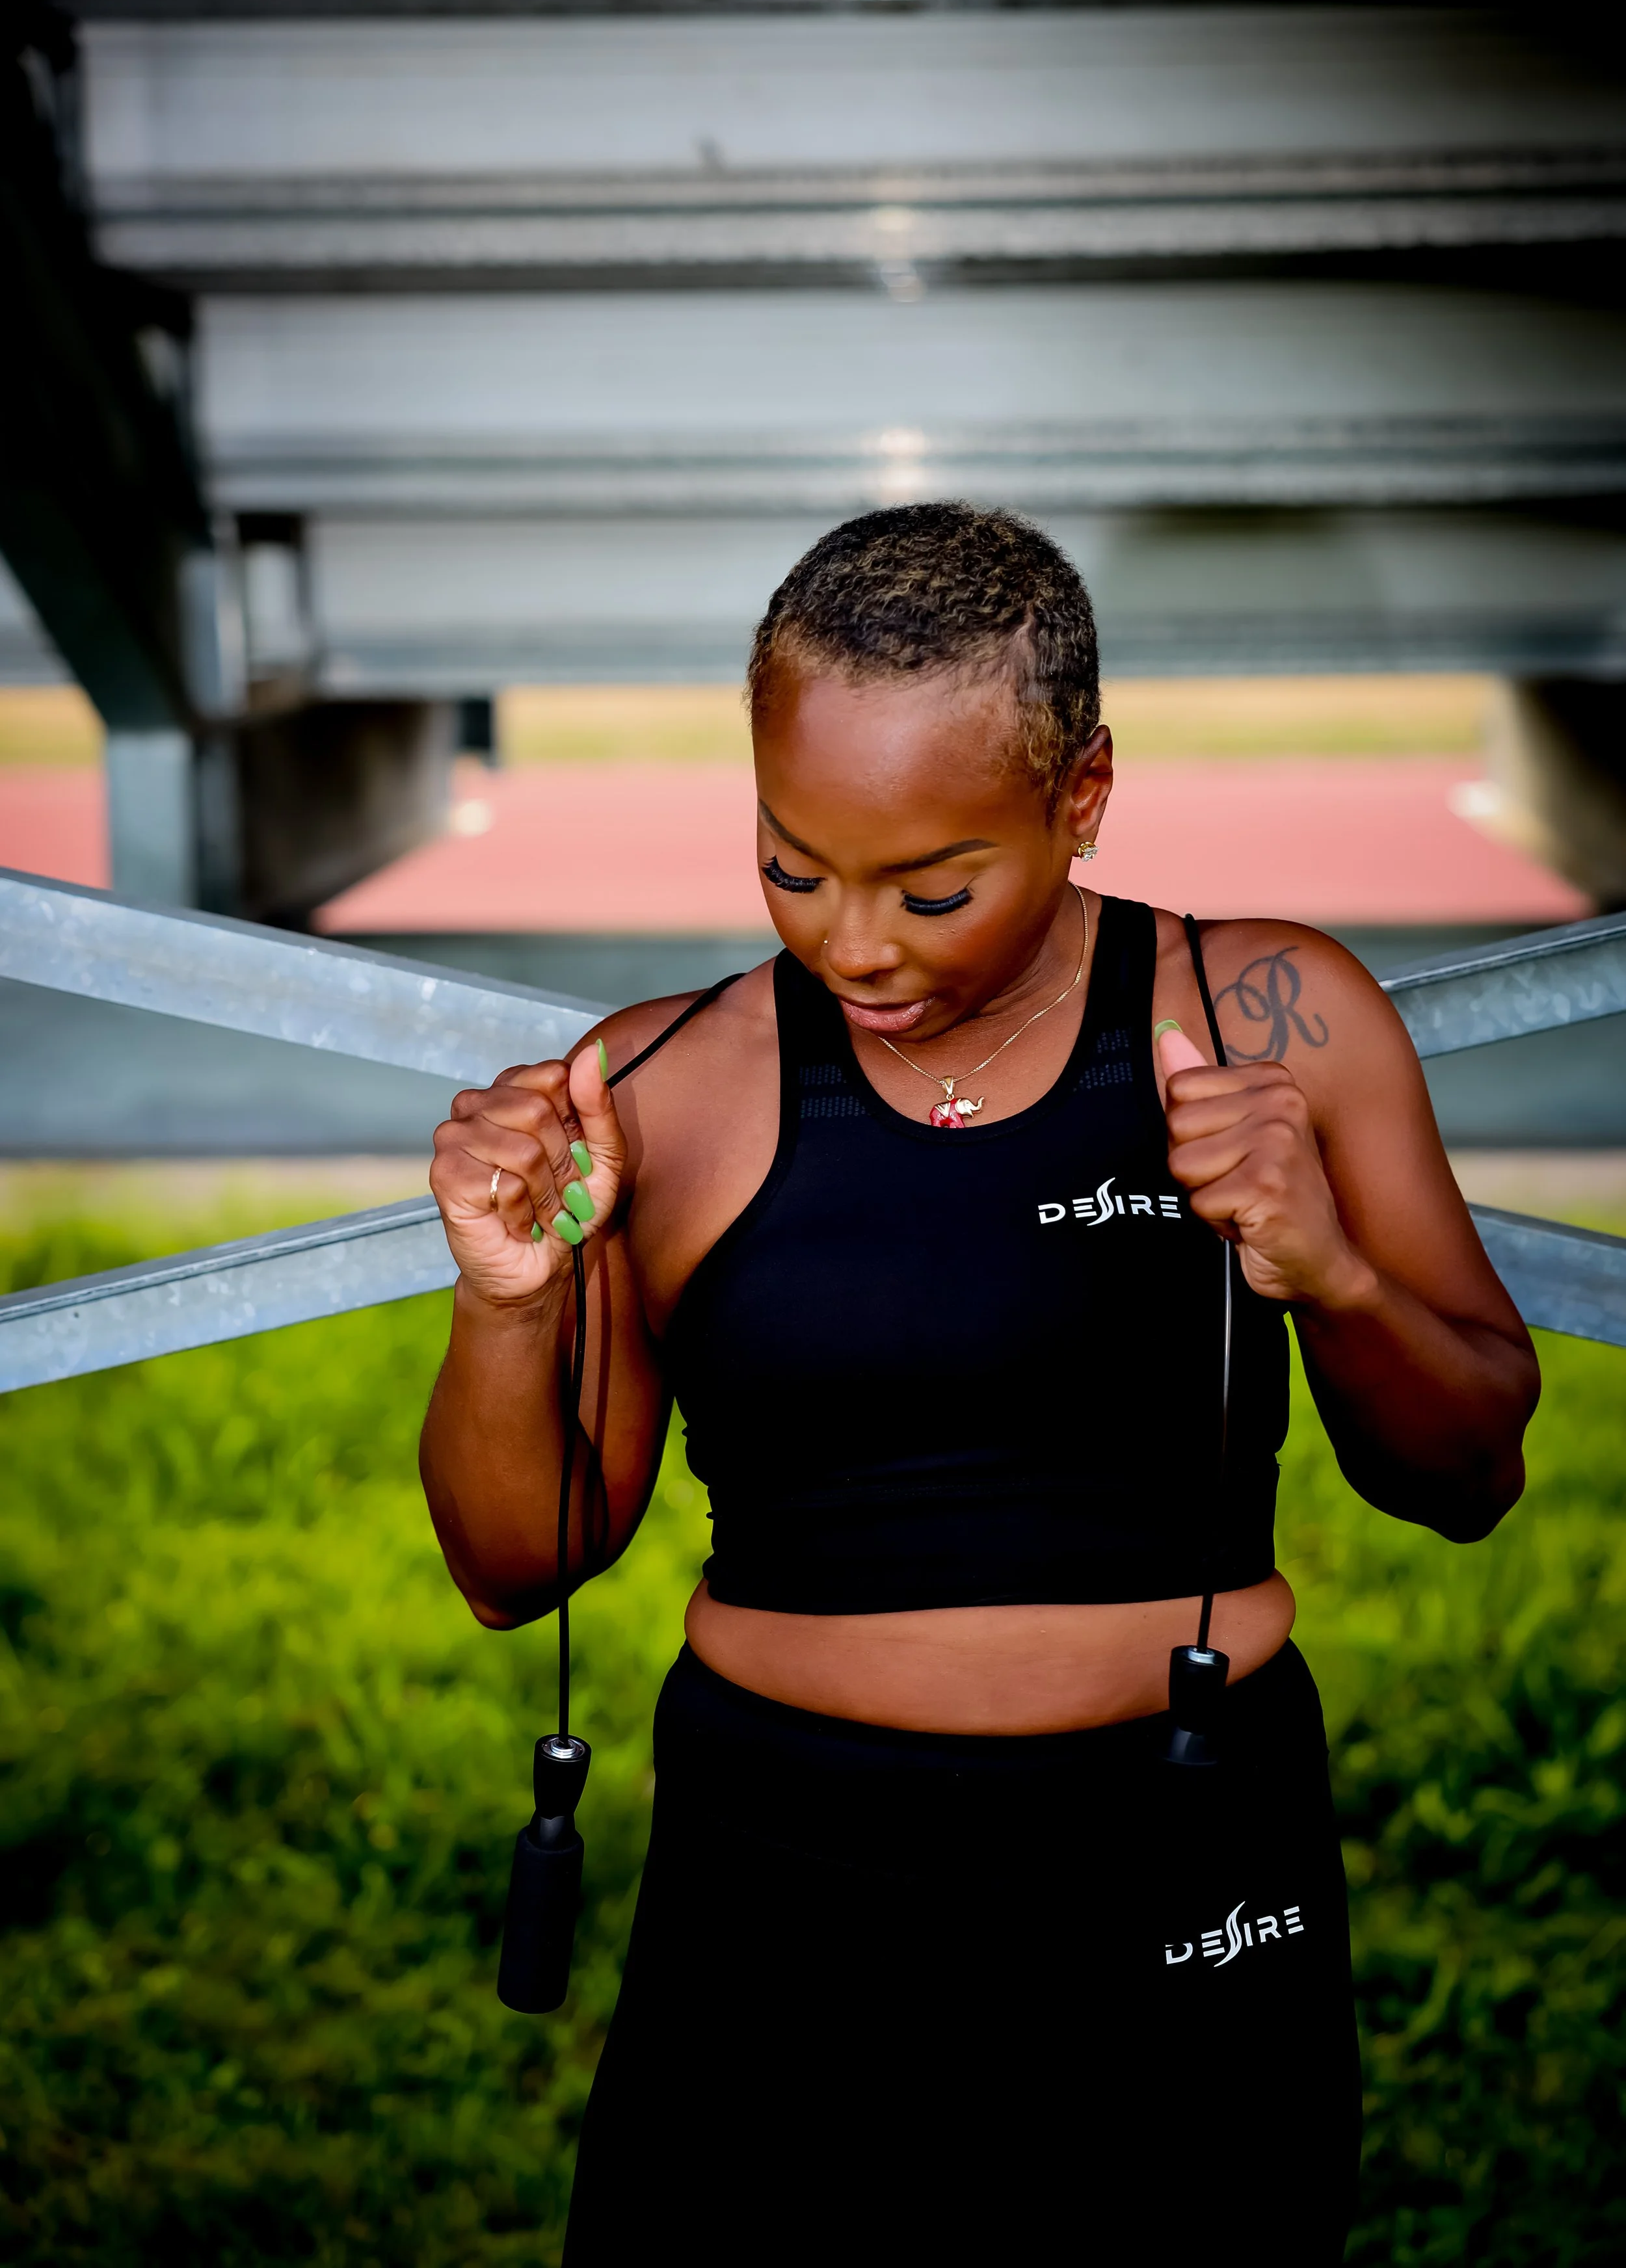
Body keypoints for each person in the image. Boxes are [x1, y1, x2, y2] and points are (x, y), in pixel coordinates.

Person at [420, 505, 1535, 2267]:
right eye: (793, 864)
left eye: (933, 886)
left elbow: (1467, 1466)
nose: (856, 941)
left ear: (1080, 797)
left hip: (1179, 1846)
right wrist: (504, 1298)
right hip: (781, 1875)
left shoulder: (1268, 1013)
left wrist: (1326, 1266)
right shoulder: (663, 1079)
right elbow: (510, 1568)